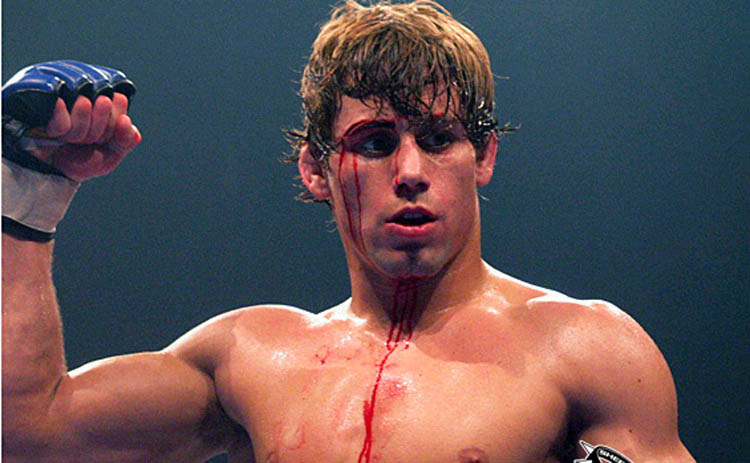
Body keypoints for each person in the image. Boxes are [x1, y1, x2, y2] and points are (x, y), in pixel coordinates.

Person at [2, 1, 695, 462]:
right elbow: (29, 435)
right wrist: (30, 190)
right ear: (316, 168)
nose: (411, 172)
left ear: (483, 156)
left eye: (439, 138)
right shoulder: (252, 356)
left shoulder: (585, 350)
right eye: (375, 143)